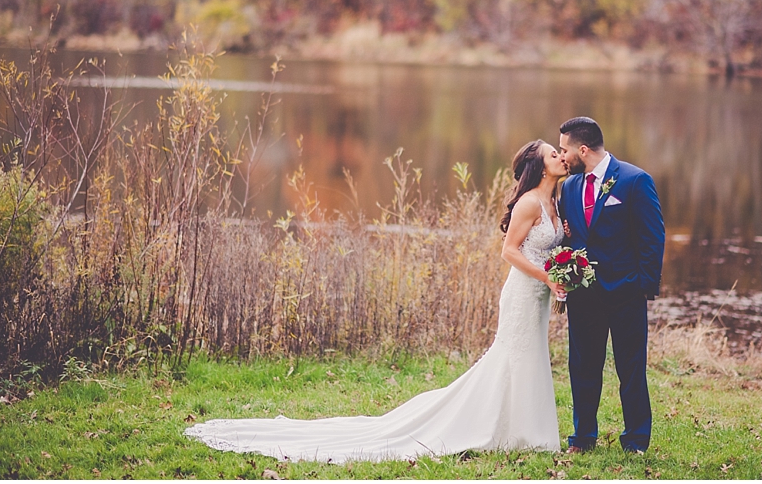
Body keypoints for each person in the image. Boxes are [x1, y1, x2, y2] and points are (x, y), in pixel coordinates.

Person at [185, 140, 567, 463]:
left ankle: (524, 429)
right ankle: (514, 431)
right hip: (523, 293)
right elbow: (509, 252)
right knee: (514, 356)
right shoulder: (530, 203)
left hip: (540, 295)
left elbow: (545, 248)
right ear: (539, 167)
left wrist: (562, 268)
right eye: (553, 154)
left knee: (530, 356)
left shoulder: (555, 203)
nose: (560, 158)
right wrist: (547, 276)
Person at [557, 116, 665, 454]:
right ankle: (583, 437)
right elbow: (573, 237)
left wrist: (643, 287)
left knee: (630, 369)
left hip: (625, 293)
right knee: (582, 367)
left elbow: (653, 237)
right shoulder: (570, 187)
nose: (562, 157)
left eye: (565, 150)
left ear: (583, 149)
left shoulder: (635, 180)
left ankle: (635, 440)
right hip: (583, 296)